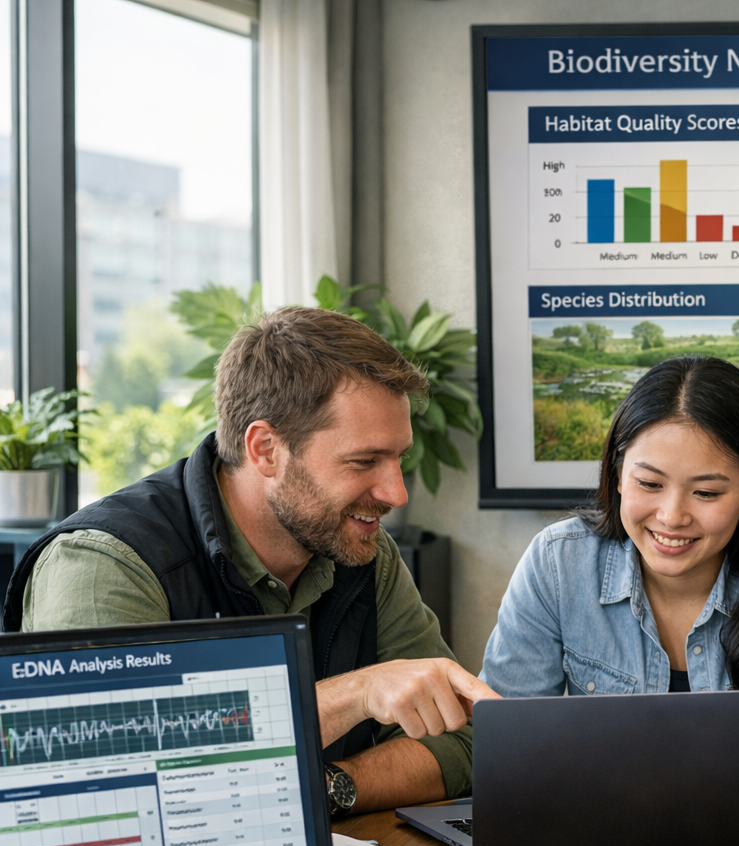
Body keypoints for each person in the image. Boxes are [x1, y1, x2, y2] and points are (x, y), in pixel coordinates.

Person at [4, 306, 498, 815]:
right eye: (364, 461)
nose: (396, 493)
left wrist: (326, 787)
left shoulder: (363, 552)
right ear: (265, 449)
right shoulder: (104, 563)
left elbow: (462, 744)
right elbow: (103, 777)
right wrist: (356, 694)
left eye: (399, 459)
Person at [481, 356, 739, 804]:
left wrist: (665, 790)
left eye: (706, 493)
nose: (672, 517)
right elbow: (503, 746)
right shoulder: (557, 562)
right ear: (617, 472)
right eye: (649, 484)